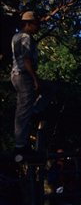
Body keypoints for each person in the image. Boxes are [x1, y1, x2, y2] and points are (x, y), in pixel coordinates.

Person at [10, 11, 47, 160]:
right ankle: (20, 147)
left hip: (17, 75)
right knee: (22, 112)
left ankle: (34, 111)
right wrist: (35, 79)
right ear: (28, 24)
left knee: (49, 89)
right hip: (24, 75)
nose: (37, 28)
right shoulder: (25, 37)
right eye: (36, 25)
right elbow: (26, 60)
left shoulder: (16, 36)